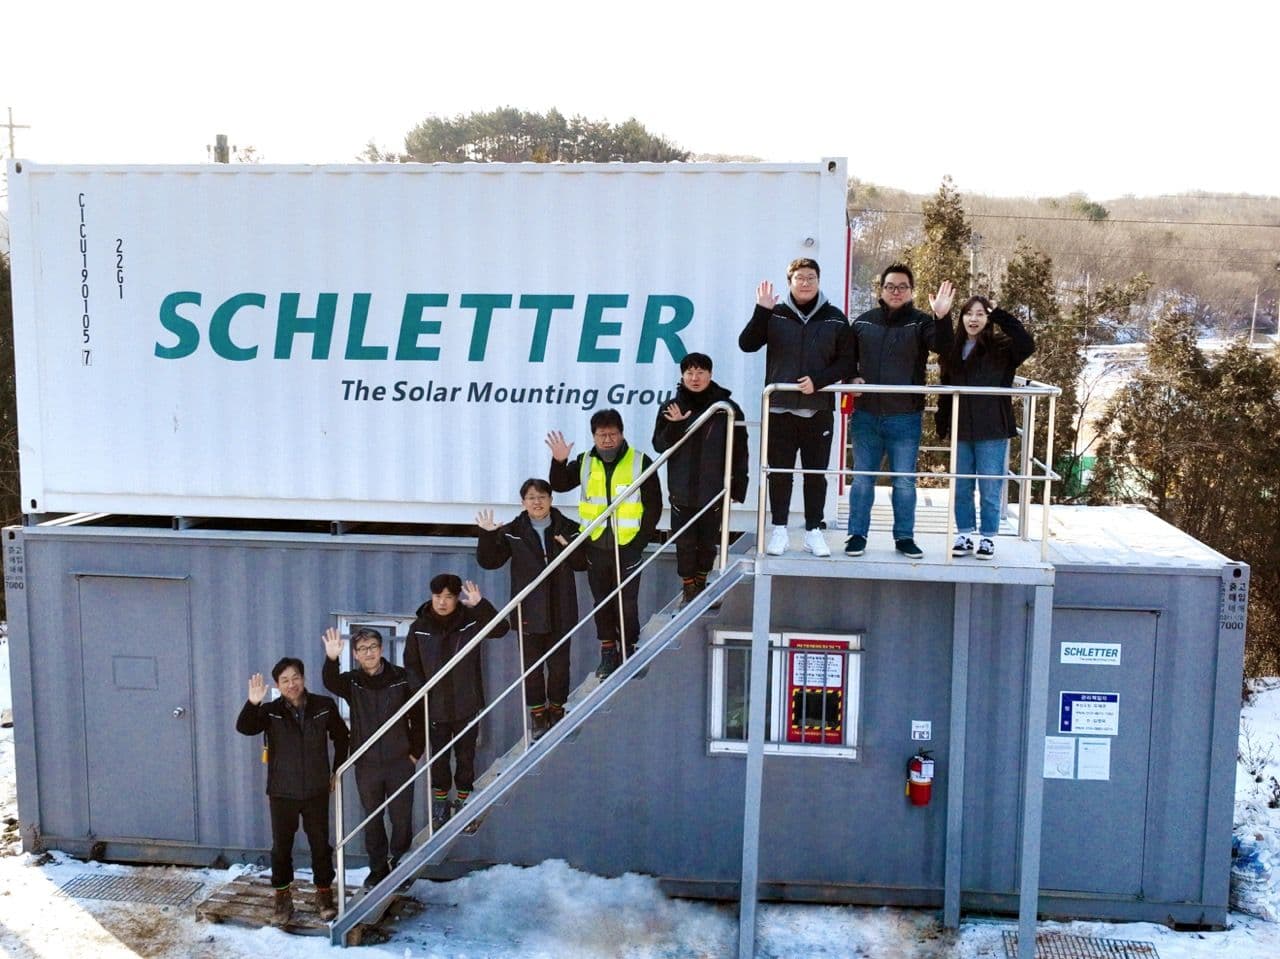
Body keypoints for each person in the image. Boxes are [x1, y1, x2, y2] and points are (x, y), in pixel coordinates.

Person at [739, 257, 855, 558]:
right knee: (779, 472)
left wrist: (820, 380)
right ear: (790, 281)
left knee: (816, 474)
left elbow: (846, 362)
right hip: (780, 409)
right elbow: (747, 343)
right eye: (800, 278)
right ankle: (779, 529)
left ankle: (813, 531)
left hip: (817, 410)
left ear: (819, 281)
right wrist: (761, 311)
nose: (805, 283)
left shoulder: (834, 318)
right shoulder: (775, 314)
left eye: (811, 278)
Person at [845, 264, 955, 560]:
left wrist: (942, 317)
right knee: (863, 478)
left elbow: (944, 346)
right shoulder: (863, 323)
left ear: (911, 291)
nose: (896, 291)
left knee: (904, 481)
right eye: (890, 286)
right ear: (880, 290)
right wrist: (850, 378)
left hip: (905, 417)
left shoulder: (920, 323)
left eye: (902, 287)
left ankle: (904, 537)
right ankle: (857, 535)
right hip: (866, 415)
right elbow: (844, 360)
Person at [547, 409, 662, 679]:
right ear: (594, 437)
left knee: (627, 602)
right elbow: (560, 484)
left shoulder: (639, 461)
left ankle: (629, 649)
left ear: (622, 434)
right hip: (595, 546)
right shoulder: (586, 461)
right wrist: (558, 461)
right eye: (602, 435)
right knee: (601, 602)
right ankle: (608, 651)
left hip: (628, 546)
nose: (607, 440)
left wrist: (640, 542)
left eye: (612, 434)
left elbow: (653, 505)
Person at [236, 657, 349, 926]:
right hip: (282, 791)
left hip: (316, 790)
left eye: (295, 677)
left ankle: (324, 895)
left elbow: (342, 737)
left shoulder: (324, 706)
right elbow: (245, 728)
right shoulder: (271, 711)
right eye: (285, 680)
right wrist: (253, 703)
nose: (291, 684)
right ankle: (283, 899)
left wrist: (337, 770)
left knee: (321, 845)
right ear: (277, 685)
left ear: (303, 678)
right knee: (281, 848)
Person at [476, 479, 588, 740]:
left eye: (541, 497)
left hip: (561, 608)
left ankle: (557, 711)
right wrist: (488, 535)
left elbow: (582, 564)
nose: (536, 502)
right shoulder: (514, 530)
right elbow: (490, 562)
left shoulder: (569, 527)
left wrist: (568, 548)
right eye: (530, 497)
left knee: (560, 667)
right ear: (523, 502)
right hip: (528, 611)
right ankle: (538, 716)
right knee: (532, 670)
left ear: (551, 499)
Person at [404, 575, 510, 831]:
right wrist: (422, 693)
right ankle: (440, 804)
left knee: (465, 757)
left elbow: (501, 629)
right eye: (438, 597)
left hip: (466, 702)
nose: (442, 602)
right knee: (439, 760)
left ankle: (463, 801)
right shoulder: (419, 627)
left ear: (456, 599)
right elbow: (411, 665)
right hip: (435, 707)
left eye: (448, 597)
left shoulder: (470, 621)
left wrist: (481, 604)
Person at [321, 626, 424, 888]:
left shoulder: (401, 678)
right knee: (373, 818)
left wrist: (415, 753)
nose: (369, 653)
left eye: (373, 647)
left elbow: (419, 715)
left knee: (401, 818)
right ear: (355, 654)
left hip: (400, 761)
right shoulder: (353, 682)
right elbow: (330, 682)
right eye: (363, 649)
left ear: (381, 649)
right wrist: (331, 658)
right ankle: (378, 869)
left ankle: (400, 866)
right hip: (367, 764)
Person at [935, 296, 1036, 560]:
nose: (974, 319)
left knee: (990, 488)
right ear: (962, 318)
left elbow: (1027, 343)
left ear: (987, 319)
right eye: (968, 313)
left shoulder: (1002, 348)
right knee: (961, 486)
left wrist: (1000, 313)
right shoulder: (954, 349)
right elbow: (946, 389)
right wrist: (942, 423)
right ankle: (965, 534)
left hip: (992, 428)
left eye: (980, 314)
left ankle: (988, 537)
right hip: (962, 428)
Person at [651, 352, 749, 605]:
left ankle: (702, 580)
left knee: (707, 542)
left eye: (700, 372)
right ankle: (688, 586)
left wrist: (739, 485)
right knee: (684, 543)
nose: (695, 378)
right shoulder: (671, 408)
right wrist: (676, 425)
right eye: (689, 373)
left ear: (710, 375)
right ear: (682, 376)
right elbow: (659, 445)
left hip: (713, 488)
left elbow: (740, 450)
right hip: (681, 489)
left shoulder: (727, 408)